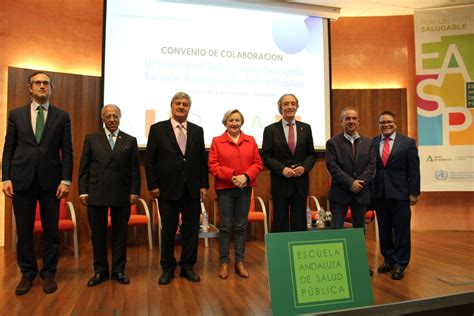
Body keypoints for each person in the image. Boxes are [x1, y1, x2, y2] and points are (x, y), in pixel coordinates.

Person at [2, 71, 73, 295]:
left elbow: (67, 151)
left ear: (52, 89)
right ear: (29, 88)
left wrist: (66, 179)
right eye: (37, 83)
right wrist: (5, 177)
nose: (42, 86)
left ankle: (49, 273)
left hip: (51, 182)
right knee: (23, 231)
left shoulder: (62, 116)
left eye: (46, 83)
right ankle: (28, 273)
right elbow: (8, 148)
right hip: (21, 180)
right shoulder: (16, 115)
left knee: (51, 231)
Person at [145, 92, 209, 285]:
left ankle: (187, 267)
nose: (181, 107)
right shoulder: (157, 129)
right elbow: (150, 161)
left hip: (191, 189)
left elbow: (201, 161)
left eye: (185, 104)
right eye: (178, 103)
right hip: (167, 189)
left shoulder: (198, 130)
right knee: (169, 231)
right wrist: (153, 185)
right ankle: (168, 268)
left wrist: (204, 185)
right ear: (171, 106)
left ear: (189, 108)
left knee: (191, 230)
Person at [78, 104, 140, 287]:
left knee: (120, 235)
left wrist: (135, 192)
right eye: (108, 116)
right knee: (98, 234)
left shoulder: (130, 140)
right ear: (102, 118)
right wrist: (83, 191)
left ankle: (119, 270)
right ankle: (100, 271)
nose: (112, 119)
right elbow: (84, 168)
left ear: (120, 117)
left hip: (122, 194)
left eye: (115, 116)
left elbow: (135, 170)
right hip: (96, 193)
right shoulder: (91, 139)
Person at [208, 109, 263, 279]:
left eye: (237, 120)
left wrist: (245, 176)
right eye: (231, 120)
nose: (234, 123)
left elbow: (258, 164)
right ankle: (224, 262)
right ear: (225, 122)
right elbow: (213, 165)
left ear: (242, 122)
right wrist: (233, 176)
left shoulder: (250, 140)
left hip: (245, 188)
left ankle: (239, 262)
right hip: (225, 189)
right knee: (225, 227)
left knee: (240, 226)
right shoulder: (217, 141)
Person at [372, 111, 420, 280]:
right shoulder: (373, 142)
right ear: (378, 125)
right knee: (384, 230)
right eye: (382, 122)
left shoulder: (407, 143)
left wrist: (414, 193)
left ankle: (400, 264)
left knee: (401, 231)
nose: (386, 125)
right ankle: (389, 260)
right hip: (380, 194)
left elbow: (414, 170)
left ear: (395, 124)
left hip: (400, 194)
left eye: (389, 122)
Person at [261, 94, 316, 232]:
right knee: (280, 221)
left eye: (293, 103)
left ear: (297, 106)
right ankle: (282, 252)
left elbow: (311, 154)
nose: (290, 107)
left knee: (299, 222)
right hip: (280, 182)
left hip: (300, 182)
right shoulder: (270, 130)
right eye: (286, 104)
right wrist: (282, 169)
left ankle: (298, 250)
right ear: (280, 107)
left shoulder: (306, 128)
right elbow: (266, 156)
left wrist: (304, 167)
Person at [326, 107, 375, 229]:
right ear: (341, 122)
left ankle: (357, 249)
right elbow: (332, 167)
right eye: (347, 118)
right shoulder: (332, 143)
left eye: (354, 118)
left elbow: (372, 166)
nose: (351, 121)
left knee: (359, 230)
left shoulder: (369, 143)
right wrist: (350, 183)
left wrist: (359, 184)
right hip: (340, 193)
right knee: (337, 229)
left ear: (358, 122)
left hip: (361, 193)